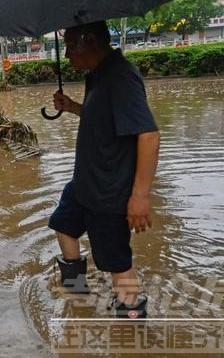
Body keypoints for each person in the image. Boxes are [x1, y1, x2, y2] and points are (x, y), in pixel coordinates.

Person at [48, 21, 160, 319]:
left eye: (71, 45)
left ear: (91, 41)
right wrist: (73, 107)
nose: (67, 54)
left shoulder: (121, 76)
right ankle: (76, 293)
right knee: (63, 224)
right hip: (85, 183)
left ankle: (131, 321)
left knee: (115, 262)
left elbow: (148, 134)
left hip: (109, 192)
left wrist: (140, 196)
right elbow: (106, 118)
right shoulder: (98, 74)